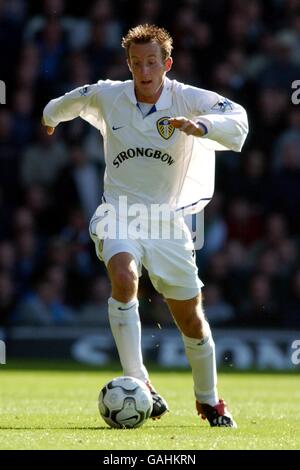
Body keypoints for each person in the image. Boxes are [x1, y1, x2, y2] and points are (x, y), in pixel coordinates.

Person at [42, 24, 248, 427]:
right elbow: (68, 102)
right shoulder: (109, 95)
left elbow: (237, 118)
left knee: (190, 318)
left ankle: (208, 401)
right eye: (136, 63)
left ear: (166, 64)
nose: (144, 71)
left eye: (152, 62)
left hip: (166, 220)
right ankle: (139, 382)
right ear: (129, 65)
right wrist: (51, 118)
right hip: (118, 211)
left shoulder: (186, 99)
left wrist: (202, 126)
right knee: (123, 274)